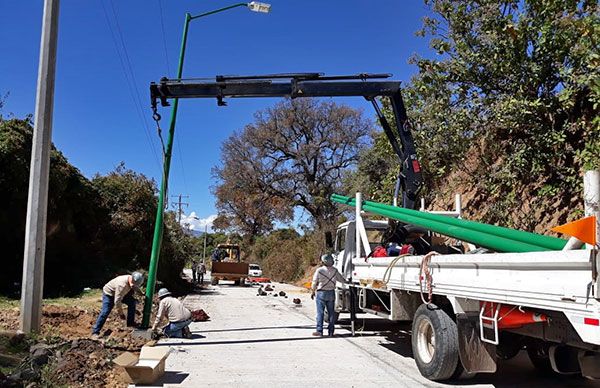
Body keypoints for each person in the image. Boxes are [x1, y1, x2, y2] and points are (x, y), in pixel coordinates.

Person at [92, 271, 144, 337]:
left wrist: (141, 293)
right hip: (109, 294)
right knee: (105, 312)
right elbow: (117, 301)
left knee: (132, 302)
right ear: (132, 280)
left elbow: (134, 286)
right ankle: (95, 331)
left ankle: (130, 323)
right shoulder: (122, 285)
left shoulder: (131, 279)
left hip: (121, 293)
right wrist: (121, 314)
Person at [311, 254, 346, 337]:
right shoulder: (335, 270)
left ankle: (319, 331)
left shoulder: (319, 270)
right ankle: (331, 331)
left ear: (323, 262)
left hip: (321, 293)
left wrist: (312, 291)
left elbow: (314, 282)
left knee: (320, 313)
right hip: (331, 293)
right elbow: (342, 280)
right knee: (331, 313)